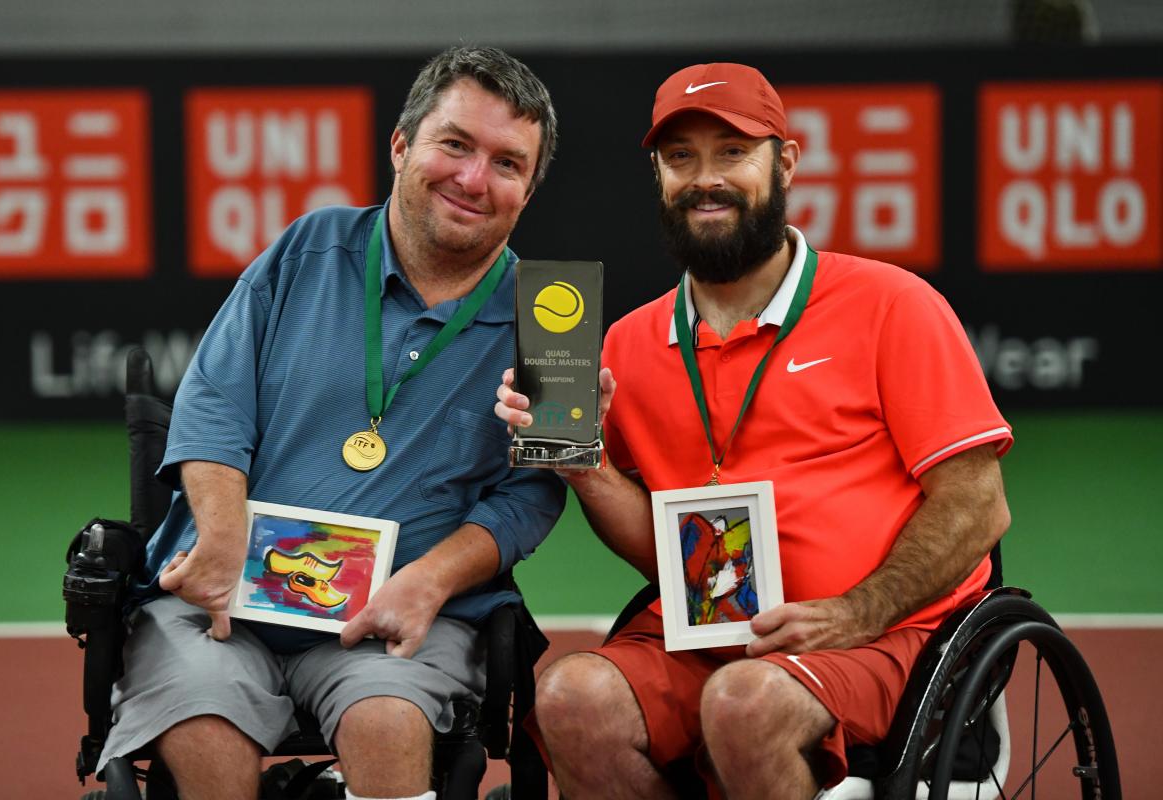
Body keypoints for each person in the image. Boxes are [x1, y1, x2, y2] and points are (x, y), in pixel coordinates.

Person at [495, 62, 1012, 799]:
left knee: (743, 703)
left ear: (787, 162)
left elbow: (977, 506)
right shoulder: (625, 346)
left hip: (887, 635)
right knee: (572, 699)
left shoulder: (892, 305)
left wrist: (854, 612)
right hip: (715, 630)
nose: (706, 178)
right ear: (659, 175)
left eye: (732, 152)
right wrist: (587, 467)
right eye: (682, 158)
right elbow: (664, 554)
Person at [99, 46, 566, 800]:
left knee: (388, 724)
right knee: (204, 728)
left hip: (399, 617)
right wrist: (219, 537)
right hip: (225, 604)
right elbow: (215, 403)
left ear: (529, 189)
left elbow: (530, 495)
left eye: (508, 164)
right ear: (402, 144)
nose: (475, 180)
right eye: (455, 144)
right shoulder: (307, 249)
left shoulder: (549, 320)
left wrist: (428, 581)